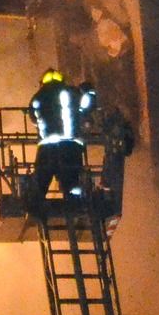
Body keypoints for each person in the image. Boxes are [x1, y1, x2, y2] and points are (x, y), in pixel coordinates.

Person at [25, 68, 96, 214]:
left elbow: (33, 119)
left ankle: (35, 207)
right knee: (71, 179)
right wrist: (89, 91)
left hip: (46, 147)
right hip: (70, 146)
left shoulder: (37, 98)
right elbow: (87, 105)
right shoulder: (72, 92)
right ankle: (74, 204)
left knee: (42, 178)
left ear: (43, 82)